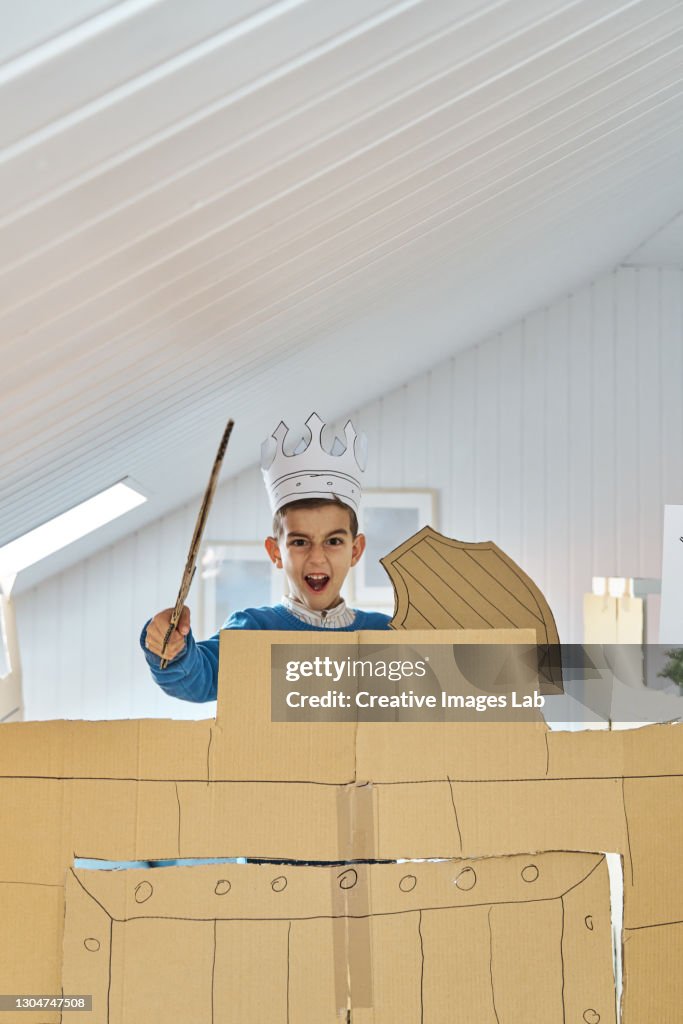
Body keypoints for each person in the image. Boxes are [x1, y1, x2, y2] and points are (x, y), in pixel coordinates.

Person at [141, 413, 392, 701]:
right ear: (276, 553)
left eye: (333, 541)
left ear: (356, 550)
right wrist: (173, 650)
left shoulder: (387, 634)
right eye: (300, 542)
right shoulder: (254, 629)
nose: (317, 557)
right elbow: (200, 679)